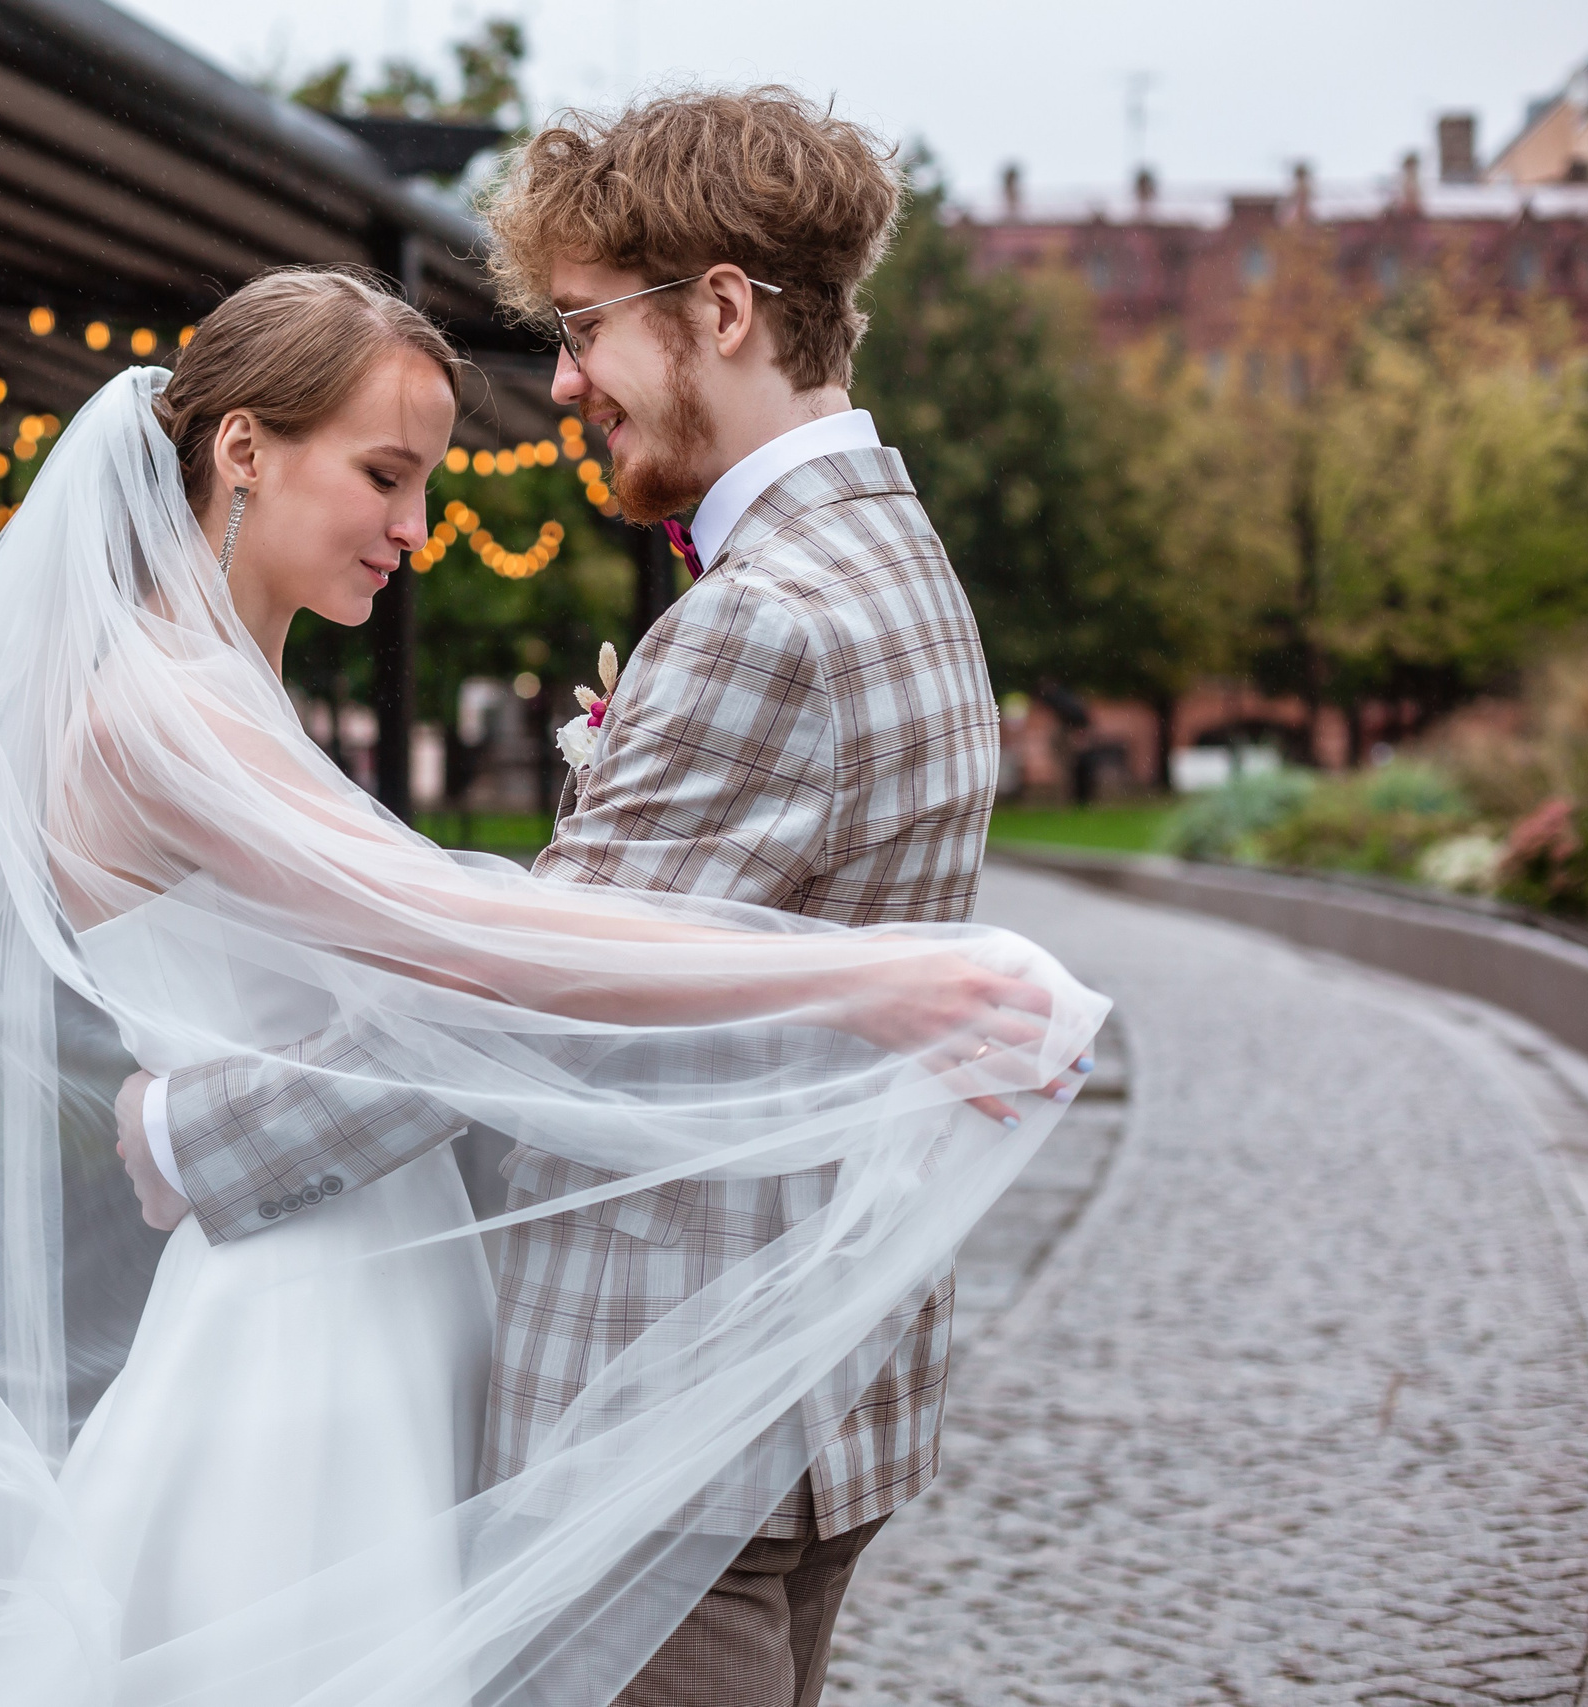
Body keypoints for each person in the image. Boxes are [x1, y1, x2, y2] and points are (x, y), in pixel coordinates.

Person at [0, 256, 1103, 1706]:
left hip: (378, 1285)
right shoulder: (161, 712)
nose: (417, 529)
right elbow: (478, 949)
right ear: (244, 449)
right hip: (300, 1327)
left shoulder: (226, 689)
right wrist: (864, 987)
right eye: (385, 476)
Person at [115, 91, 1014, 1707]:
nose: (568, 379)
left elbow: (525, 989)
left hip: (669, 1404)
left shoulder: (763, 617)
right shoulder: (901, 560)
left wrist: (196, 1137)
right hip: (817, 1395)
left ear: (723, 308)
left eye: (589, 326)